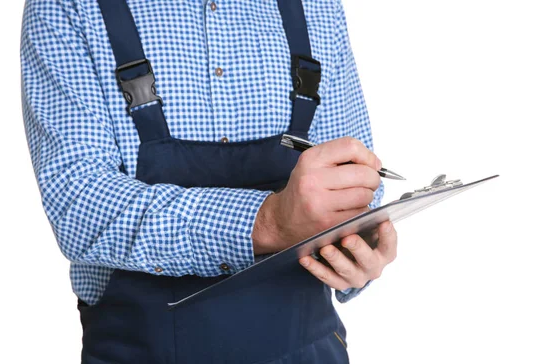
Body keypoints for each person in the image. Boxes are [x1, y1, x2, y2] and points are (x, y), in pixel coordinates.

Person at [20, 0, 398, 362]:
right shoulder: (68, 4)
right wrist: (267, 222)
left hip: (311, 350)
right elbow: (79, 206)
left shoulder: (315, 3)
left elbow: (356, 178)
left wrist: (357, 250)